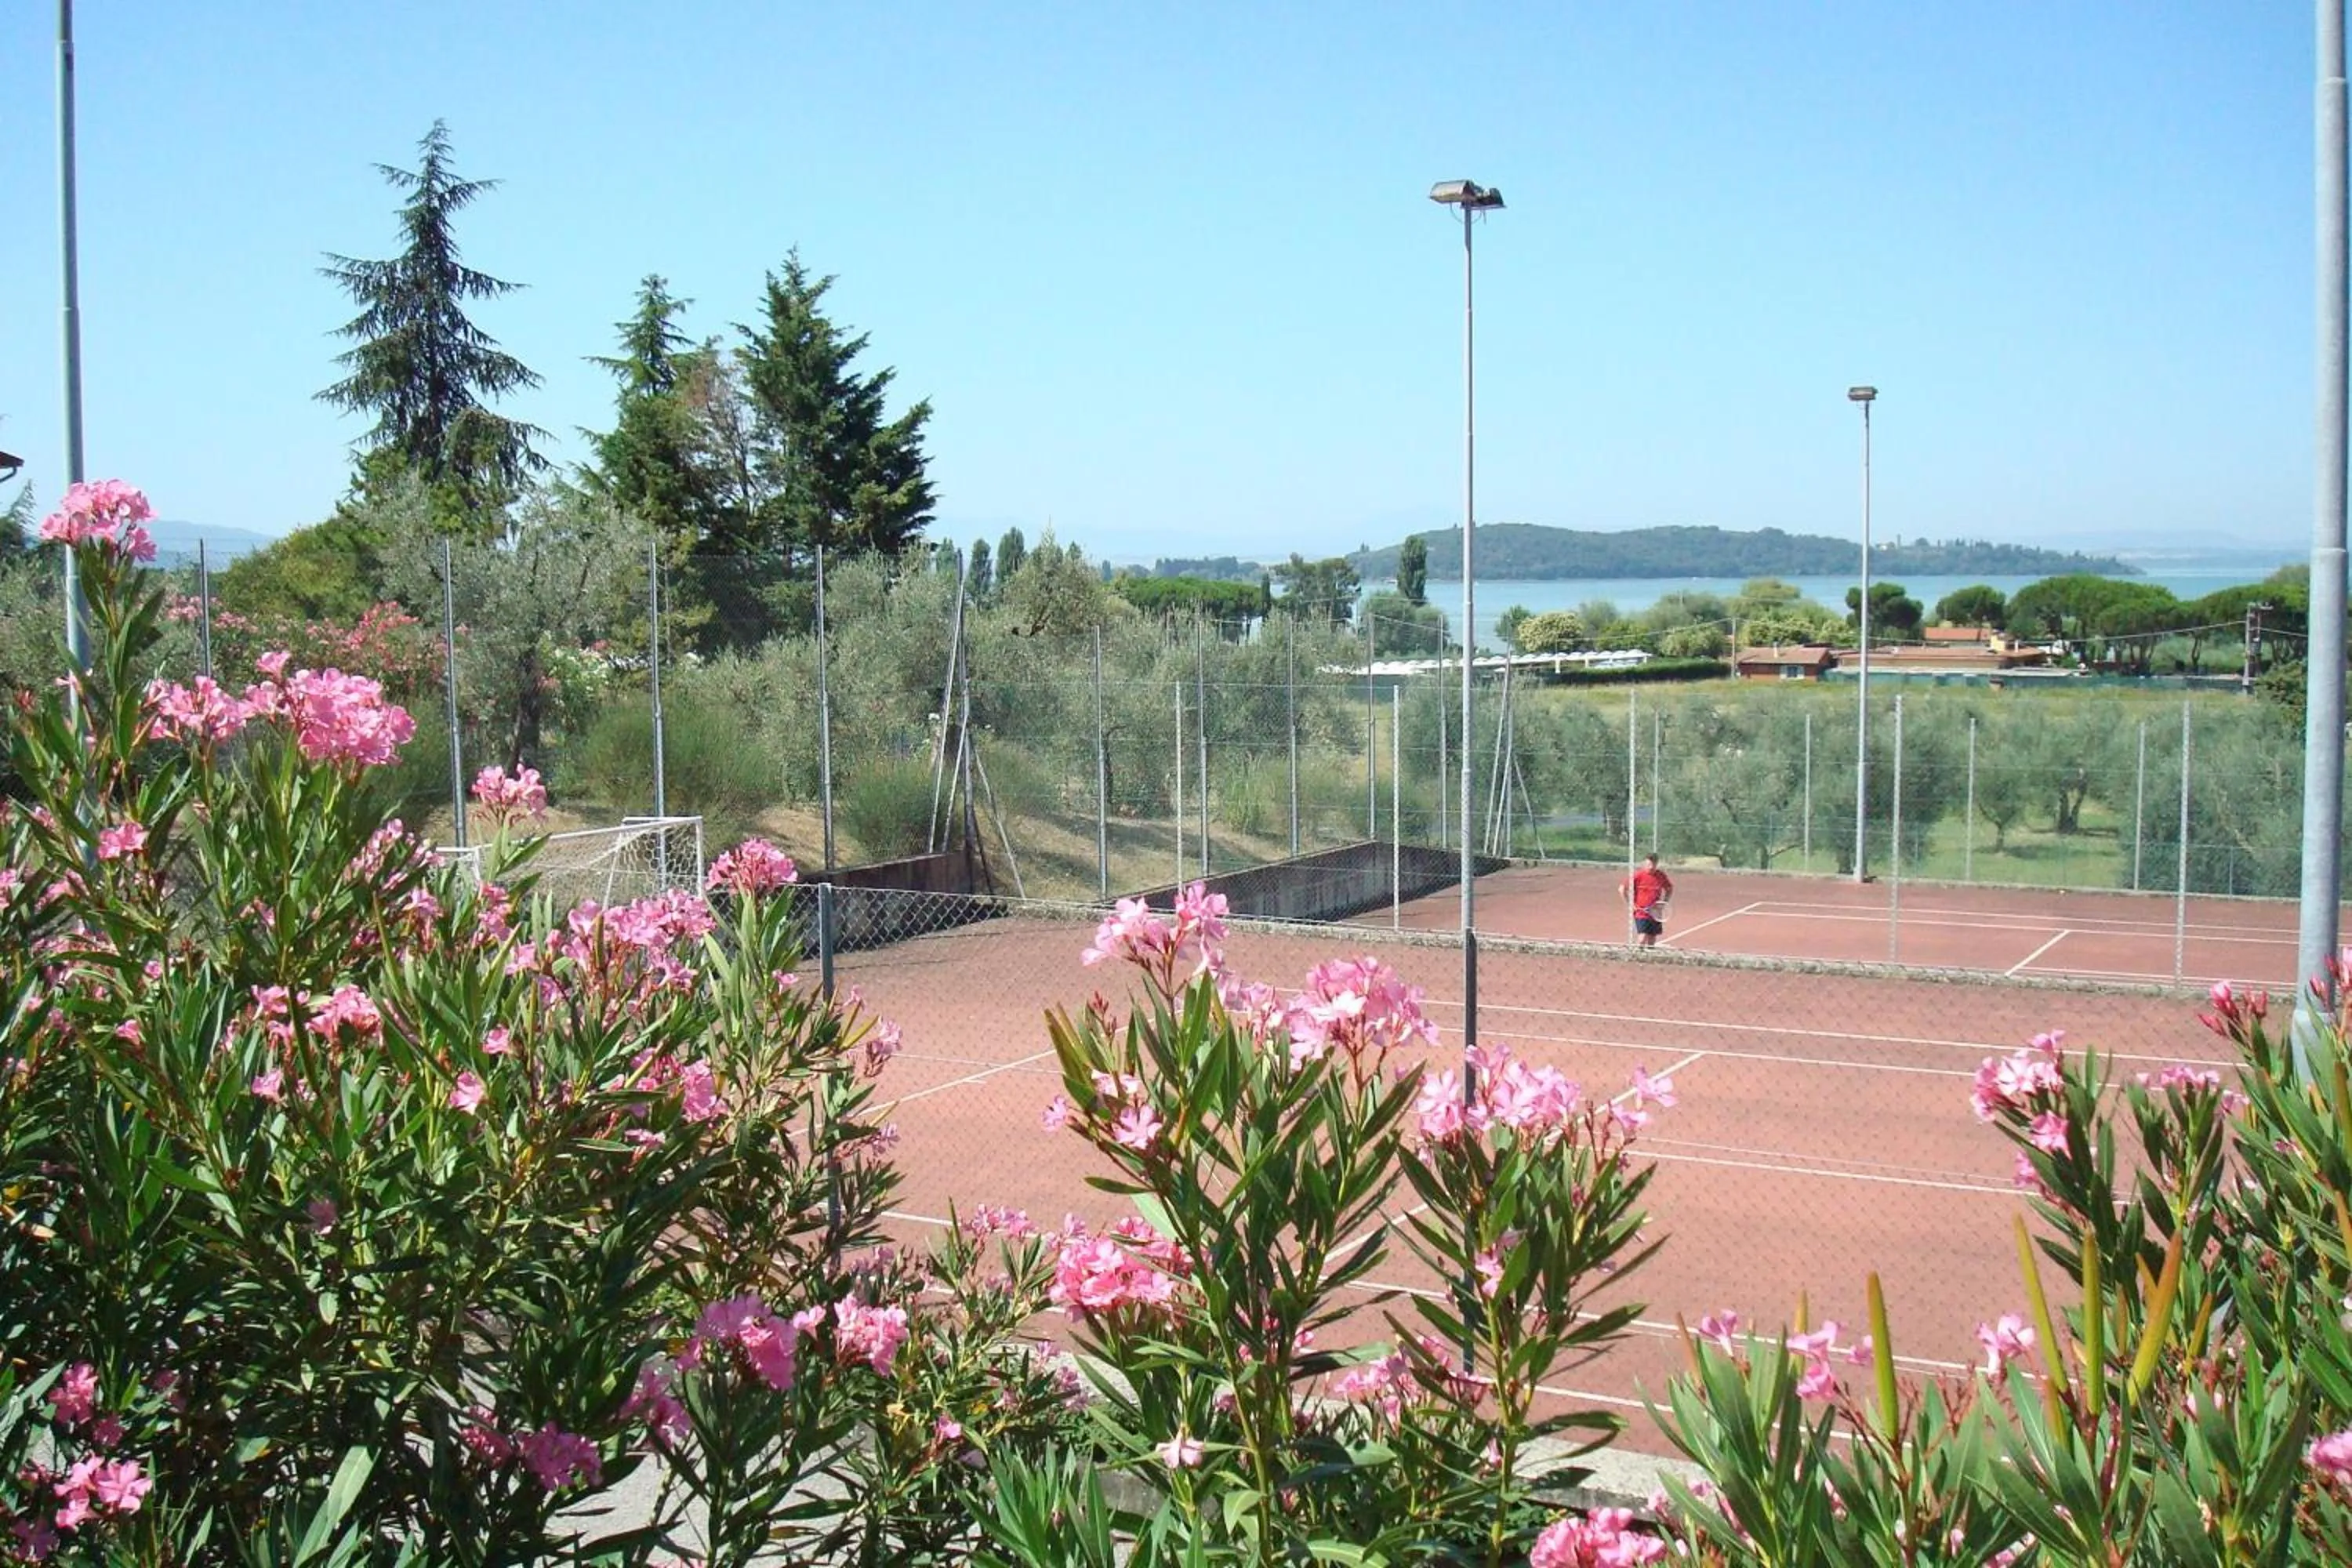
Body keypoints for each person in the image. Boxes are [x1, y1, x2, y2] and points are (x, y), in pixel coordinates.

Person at [1620, 853, 1674, 948]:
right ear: (1645, 864)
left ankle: (1649, 958)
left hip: (1655, 913)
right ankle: (1638, 955)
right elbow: (1622, 889)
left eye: (1653, 864)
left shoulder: (1661, 876)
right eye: (1649, 864)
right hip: (1641, 913)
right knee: (1642, 938)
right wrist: (1631, 904)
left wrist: (1664, 902)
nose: (1651, 867)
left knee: (1652, 939)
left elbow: (1669, 889)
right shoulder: (1638, 876)